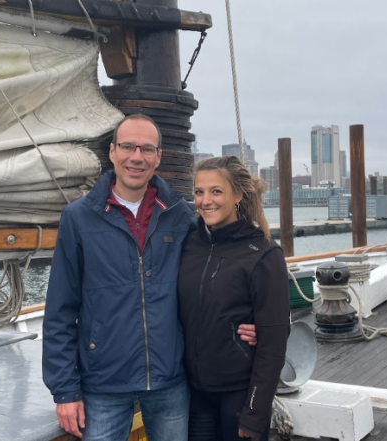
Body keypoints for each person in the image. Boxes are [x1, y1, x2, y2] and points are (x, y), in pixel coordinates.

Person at [42, 114, 255, 441]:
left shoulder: (179, 215)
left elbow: (216, 271)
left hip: (170, 379)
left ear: (158, 157)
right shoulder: (78, 218)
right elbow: (60, 309)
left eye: (147, 149)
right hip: (103, 383)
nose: (137, 157)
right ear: (112, 152)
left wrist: (251, 317)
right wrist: (65, 390)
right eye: (128, 147)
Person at [178, 156, 290, 440]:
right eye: (199, 192)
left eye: (216, 191)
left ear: (237, 195)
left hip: (239, 397)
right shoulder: (189, 244)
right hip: (195, 396)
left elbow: (274, 342)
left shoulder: (263, 254)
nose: (205, 201)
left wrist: (254, 413)